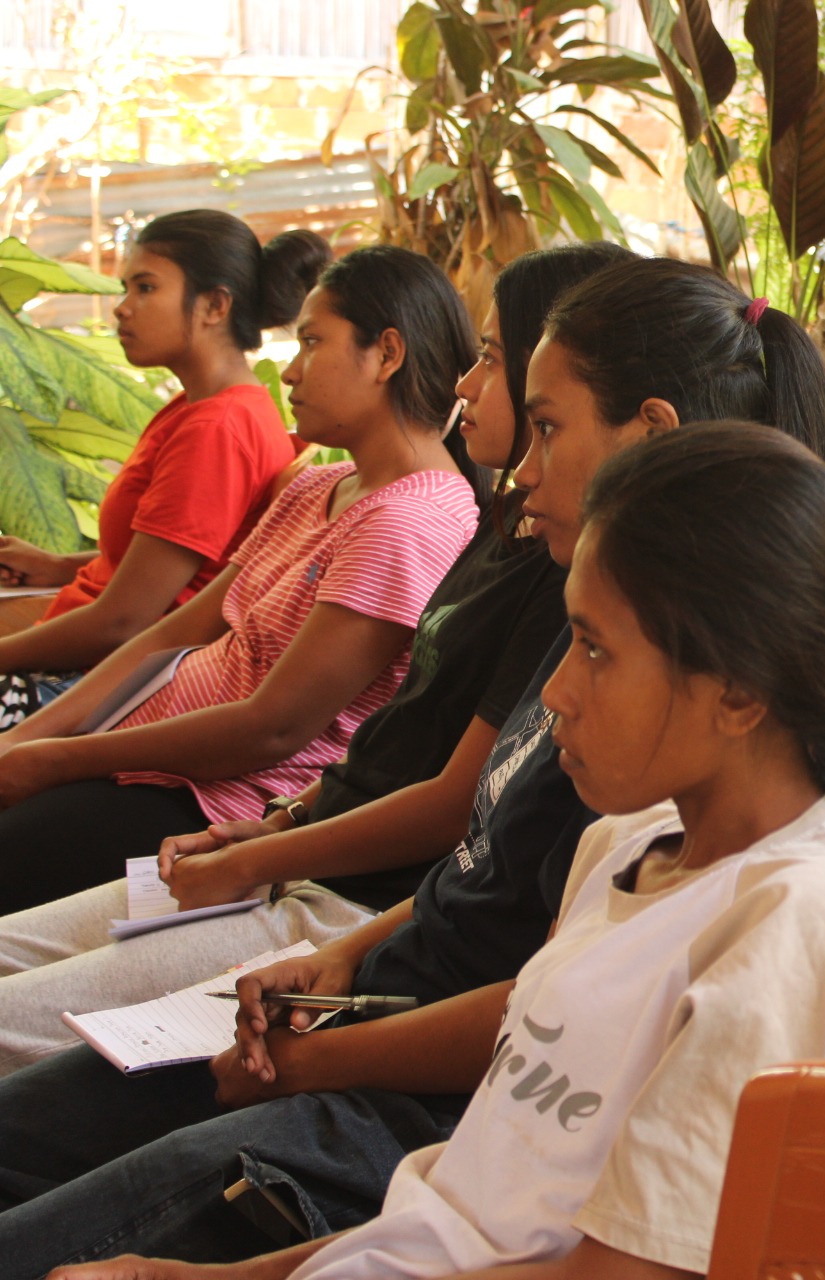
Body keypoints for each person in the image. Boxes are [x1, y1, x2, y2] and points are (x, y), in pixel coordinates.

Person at [0, 262, 825, 1277]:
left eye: (536, 410)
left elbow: (581, 1214)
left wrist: (313, 1045)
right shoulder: (636, 822)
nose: (502, 441)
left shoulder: (782, 892)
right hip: (356, 1000)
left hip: (364, 1047)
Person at [43, 424, 825, 1280]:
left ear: (738, 689)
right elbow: (454, 1212)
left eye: (594, 648)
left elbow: (625, 1263)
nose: (554, 691)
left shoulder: (801, 908)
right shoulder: (632, 839)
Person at [0, 244, 633, 1075]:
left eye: (490, 360)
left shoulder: (495, 546)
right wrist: (273, 828)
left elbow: (304, 739)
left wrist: (252, 846)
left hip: (298, 858)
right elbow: (176, 634)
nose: (466, 386)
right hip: (287, 839)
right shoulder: (474, 517)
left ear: (386, 354)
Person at [0, 246, 481, 918]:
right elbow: (180, 630)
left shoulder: (408, 520)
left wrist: (53, 761)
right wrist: (31, 740)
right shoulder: (319, 485)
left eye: (313, 343)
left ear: (387, 355)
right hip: (137, 756)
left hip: (215, 804)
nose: (290, 371)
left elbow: (273, 728)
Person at [0, 211, 327, 722]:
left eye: (145, 288)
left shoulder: (216, 430)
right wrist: (60, 565)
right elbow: (174, 560)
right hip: (83, 659)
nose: (122, 310)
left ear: (215, 305)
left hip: (92, 685)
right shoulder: (212, 408)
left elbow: (123, 622)